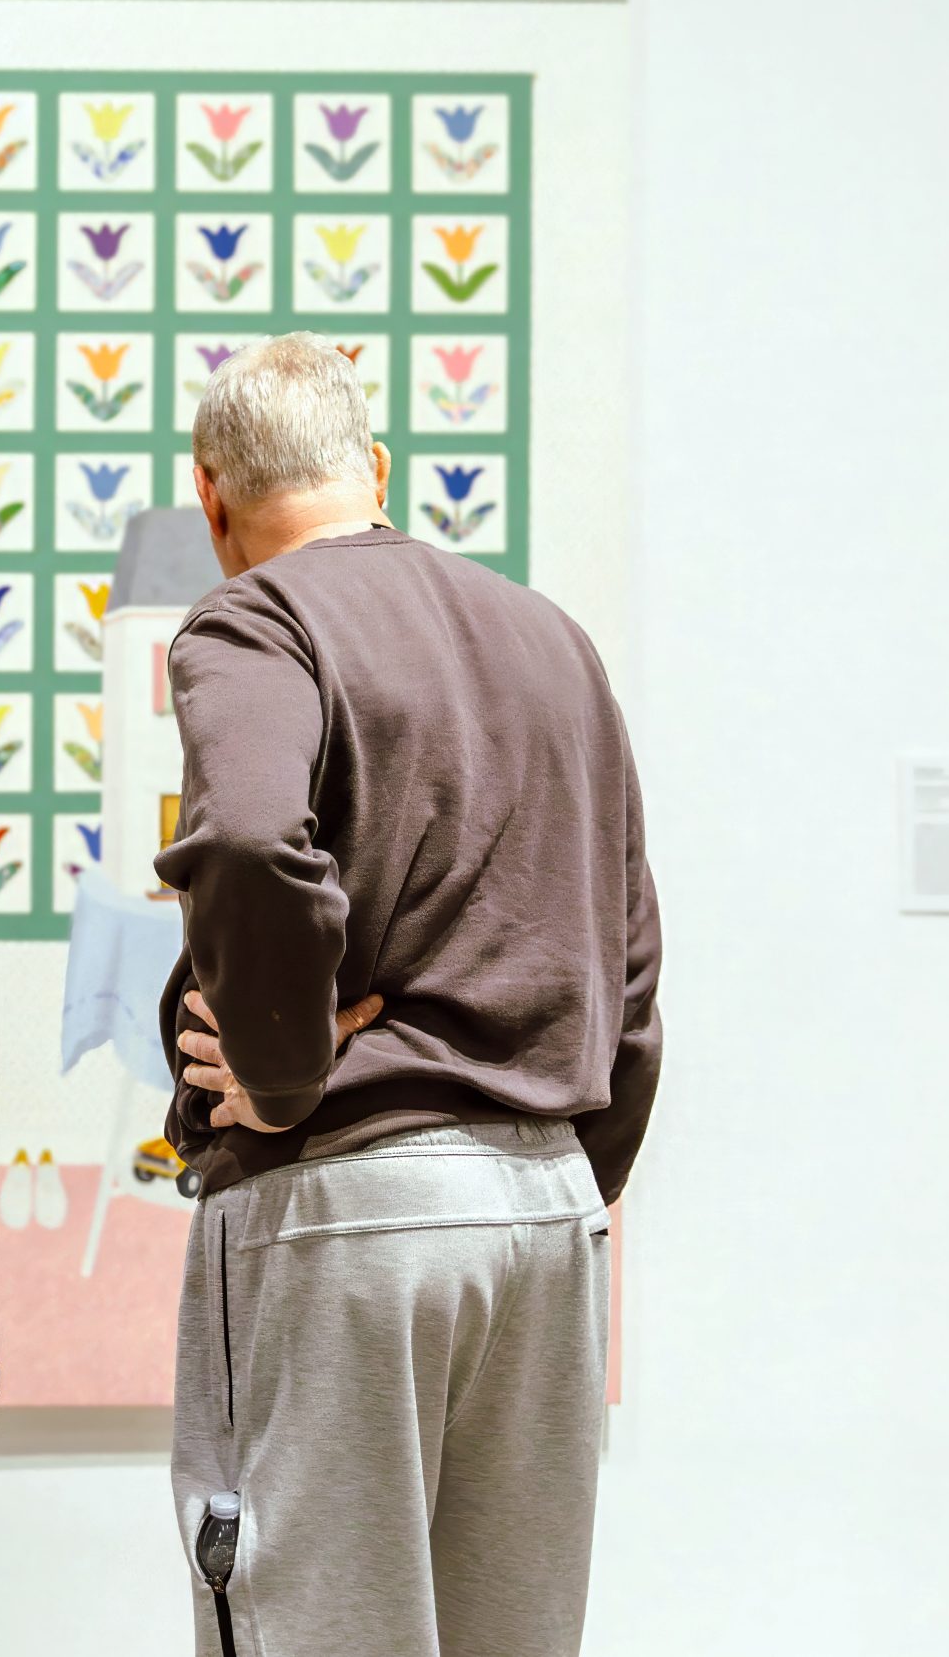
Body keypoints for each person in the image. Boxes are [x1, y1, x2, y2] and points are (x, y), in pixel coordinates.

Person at [156, 333, 663, 1657]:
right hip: (548, 1212)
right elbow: (633, 962)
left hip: (348, 1209)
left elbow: (253, 840)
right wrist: (569, 1163)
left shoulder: (254, 616)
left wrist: (279, 1076)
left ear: (214, 498)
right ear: (377, 470)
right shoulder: (554, 640)